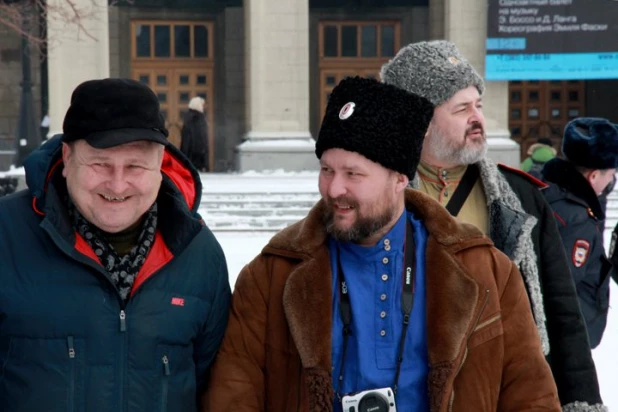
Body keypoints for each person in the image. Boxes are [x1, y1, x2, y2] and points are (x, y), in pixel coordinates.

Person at [204, 76, 560, 411]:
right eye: (326, 170)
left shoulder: (483, 272)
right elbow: (233, 395)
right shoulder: (273, 275)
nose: (333, 189)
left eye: (353, 174)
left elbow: (530, 394)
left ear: (400, 179)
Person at [380, 40, 604, 410]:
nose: (478, 118)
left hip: (506, 390)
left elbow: (562, 310)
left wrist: (580, 399)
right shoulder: (375, 197)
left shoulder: (521, 197)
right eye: (462, 108)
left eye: (478, 106)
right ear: (419, 120)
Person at [0, 78, 230, 411]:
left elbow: (216, 391)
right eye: (100, 164)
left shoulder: (199, 254)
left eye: (135, 165)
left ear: (160, 164)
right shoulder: (7, 236)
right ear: (67, 157)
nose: (118, 183)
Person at [540, 117, 618, 348]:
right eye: (611, 173)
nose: (612, 180)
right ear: (593, 176)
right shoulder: (575, 219)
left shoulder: (554, 195)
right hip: (565, 344)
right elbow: (561, 292)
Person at [181, 96, 209, 172]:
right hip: (197, 156)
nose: (203, 107)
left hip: (189, 154)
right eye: (202, 105)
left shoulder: (188, 117)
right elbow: (200, 139)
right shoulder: (197, 118)